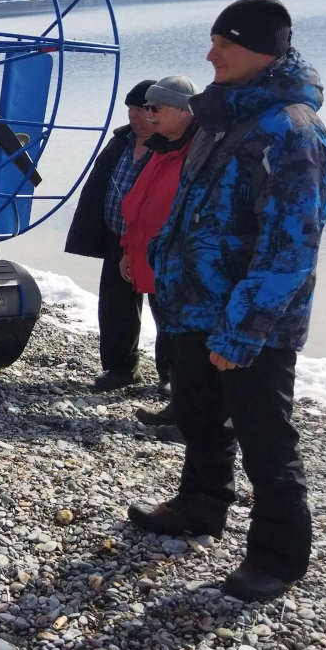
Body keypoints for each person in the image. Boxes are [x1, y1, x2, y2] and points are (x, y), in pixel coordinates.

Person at [129, 0, 326, 602]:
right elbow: (195, 208)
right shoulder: (222, 120)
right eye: (213, 39)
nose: (210, 53)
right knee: (197, 415)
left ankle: (278, 557)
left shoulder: (291, 131)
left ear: (263, 52)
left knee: (265, 436)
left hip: (253, 323)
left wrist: (242, 330)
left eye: (225, 43)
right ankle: (200, 505)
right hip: (195, 306)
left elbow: (291, 248)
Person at [64, 80, 161, 391]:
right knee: (116, 308)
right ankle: (120, 368)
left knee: (167, 311)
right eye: (131, 109)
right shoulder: (120, 141)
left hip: (157, 244)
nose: (134, 115)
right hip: (117, 239)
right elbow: (97, 187)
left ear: (158, 111)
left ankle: (172, 377)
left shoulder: (173, 146)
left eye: (142, 109)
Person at [116, 76, 198, 431]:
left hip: (182, 265)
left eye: (154, 108)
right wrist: (127, 252)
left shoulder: (199, 150)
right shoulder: (164, 146)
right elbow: (139, 204)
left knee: (186, 340)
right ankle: (179, 407)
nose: (147, 115)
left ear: (183, 110)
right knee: (169, 331)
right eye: (144, 108)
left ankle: (191, 415)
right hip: (154, 258)